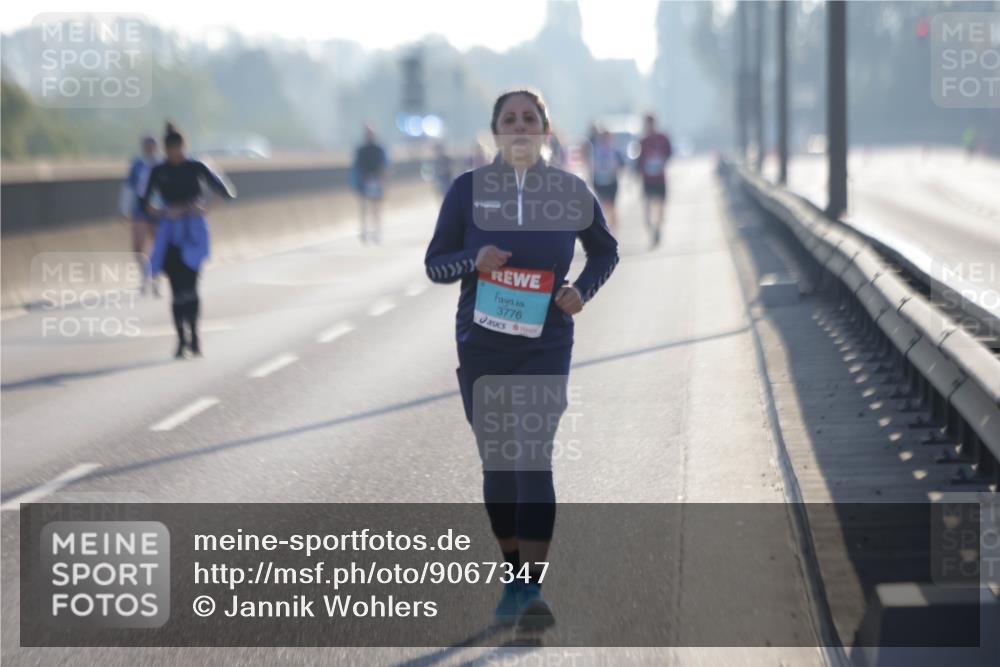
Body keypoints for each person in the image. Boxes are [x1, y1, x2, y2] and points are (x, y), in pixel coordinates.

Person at [424, 90, 619, 629]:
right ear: (496, 131)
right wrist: (475, 259)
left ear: (545, 130)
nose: (519, 126)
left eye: (529, 118)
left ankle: (531, 587)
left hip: (545, 342)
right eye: (509, 119)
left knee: (533, 457)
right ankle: (512, 571)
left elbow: (606, 251)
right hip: (482, 345)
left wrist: (582, 290)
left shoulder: (569, 191)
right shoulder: (467, 192)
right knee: (499, 463)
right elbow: (435, 265)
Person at [140, 122, 236, 358]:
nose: (176, 155)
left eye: (179, 150)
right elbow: (144, 203)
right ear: (166, 150)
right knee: (176, 290)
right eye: (171, 151)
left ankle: (195, 337)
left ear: (184, 147)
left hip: (193, 231)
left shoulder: (197, 166)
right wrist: (165, 212)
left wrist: (204, 208)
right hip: (170, 233)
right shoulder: (158, 170)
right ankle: (181, 340)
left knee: (191, 287)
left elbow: (226, 192)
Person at [119, 134, 161, 295]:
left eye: (152, 145)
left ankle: (156, 277)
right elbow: (129, 188)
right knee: (138, 247)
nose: (149, 148)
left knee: (157, 245)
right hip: (140, 210)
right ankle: (145, 275)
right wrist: (124, 209)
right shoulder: (137, 164)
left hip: (158, 210)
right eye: (146, 145)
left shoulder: (162, 163)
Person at [636, 113, 672, 248]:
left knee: (661, 206)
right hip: (647, 179)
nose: (649, 126)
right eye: (647, 123)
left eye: (651, 123)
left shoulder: (663, 138)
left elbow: (669, 153)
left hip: (660, 178)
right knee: (648, 205)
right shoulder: (643, 141)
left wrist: (662, 161)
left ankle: (658, 228)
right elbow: (639, 160)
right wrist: (638, 171)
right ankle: (651, 226)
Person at [351, 124, 388, 244]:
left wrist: (382, 179)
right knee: (364, 208)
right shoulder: (361, 150)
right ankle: (364, 230)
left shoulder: (379, 149)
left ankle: (377, 231)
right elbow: (356, 166)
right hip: (364, 181)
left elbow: (384, 165)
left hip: (377, 181)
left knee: (376, 208)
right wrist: (359, 180)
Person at [589, 128, 625, 233]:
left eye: (607, 138)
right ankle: (606, 228)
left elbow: (621, 165)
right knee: (603, 206)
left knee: (612, 206)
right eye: (603, 138)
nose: (605, 140)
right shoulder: (595, 151)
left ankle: (614, 229)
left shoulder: (614, 151)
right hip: (599, 182)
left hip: (612, 182)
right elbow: (591, 166)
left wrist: (614, 169)